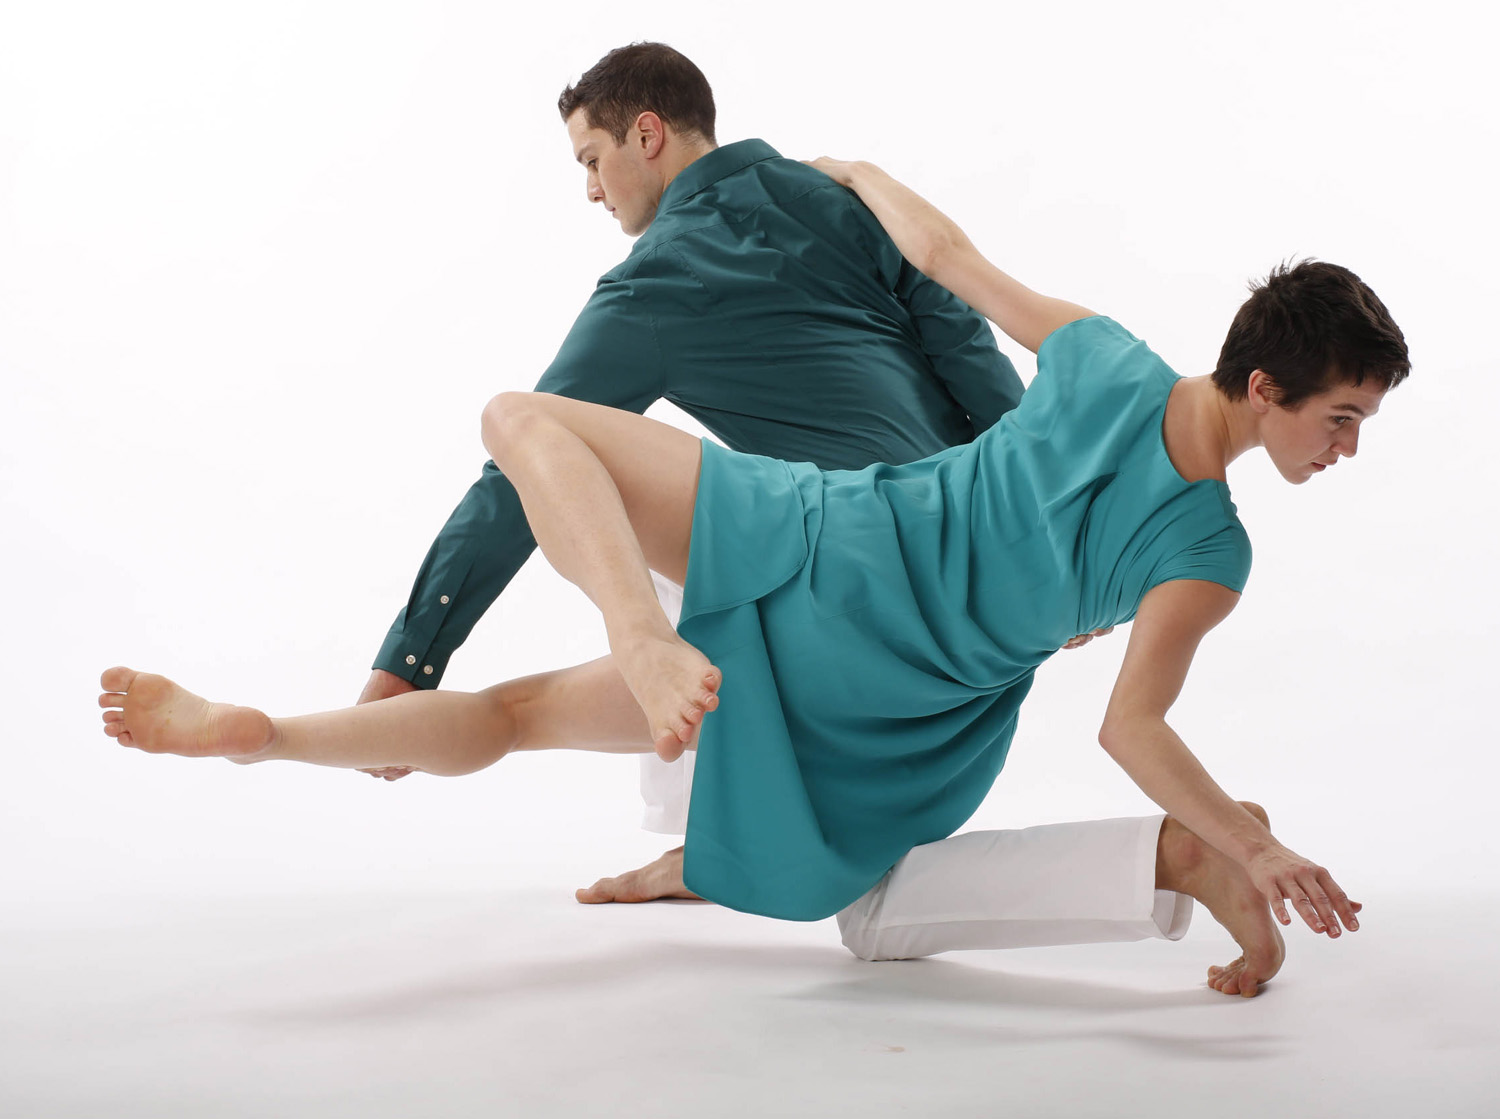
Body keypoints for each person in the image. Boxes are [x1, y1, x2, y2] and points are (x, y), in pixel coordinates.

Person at [98, 162, 1405, 997]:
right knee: (839, 884)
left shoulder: (1110, 360)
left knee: (522, 426)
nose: (1344, 448)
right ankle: (272, 732)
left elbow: (950, 259)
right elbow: (1132, 721)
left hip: (818, 537)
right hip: (895, 708)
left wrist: (857, 178)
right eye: (1341, 416)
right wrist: (1247, 836)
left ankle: (272, 733)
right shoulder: (1207, 553)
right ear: (1264, 385)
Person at [342, 38, 1191, 967]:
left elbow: (522, 476)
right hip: (983, 590)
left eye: (592, 160)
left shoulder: (651, 285)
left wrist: (410, 660)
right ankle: (716, 835)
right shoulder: (846, 201)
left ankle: (727, 848)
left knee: (860, 897)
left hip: (864, 607)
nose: (591, 190)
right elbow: (971, 356)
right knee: (693, 537)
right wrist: (1051, 535)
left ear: (648, 134)